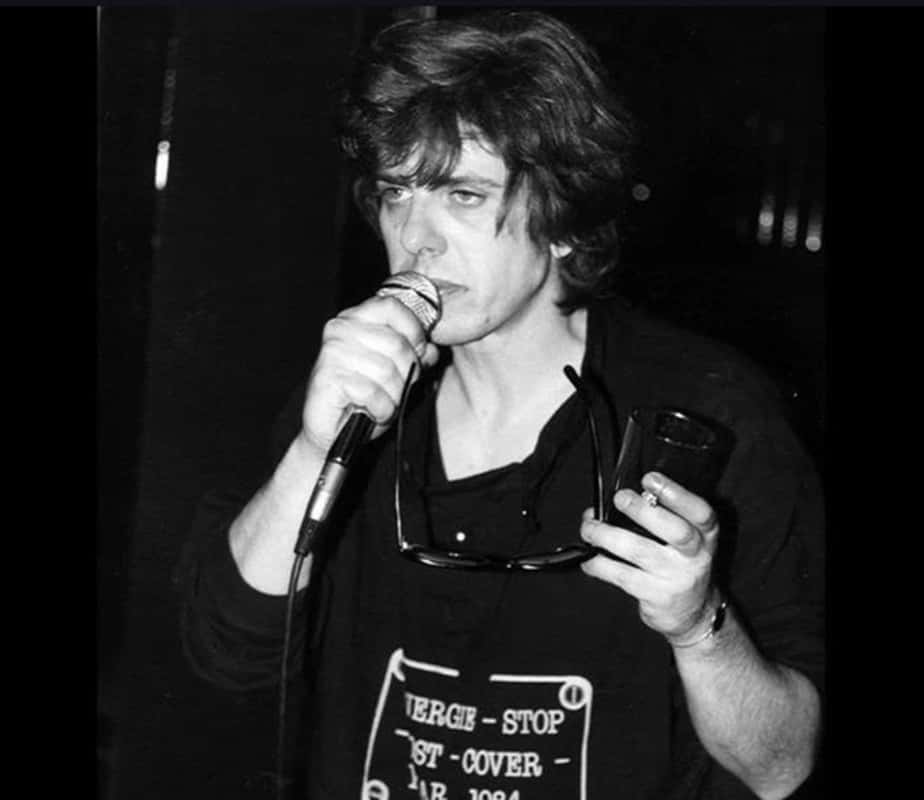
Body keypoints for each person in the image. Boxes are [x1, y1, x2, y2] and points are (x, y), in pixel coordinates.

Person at [181, 10, 824, 800]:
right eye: (396, 193)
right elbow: (226, 655)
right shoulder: (364, 389)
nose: (416, 238)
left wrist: (698, 627)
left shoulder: (706, 410)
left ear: (561, 220)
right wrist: (315, 451)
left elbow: (782, 765)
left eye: (461, 193)